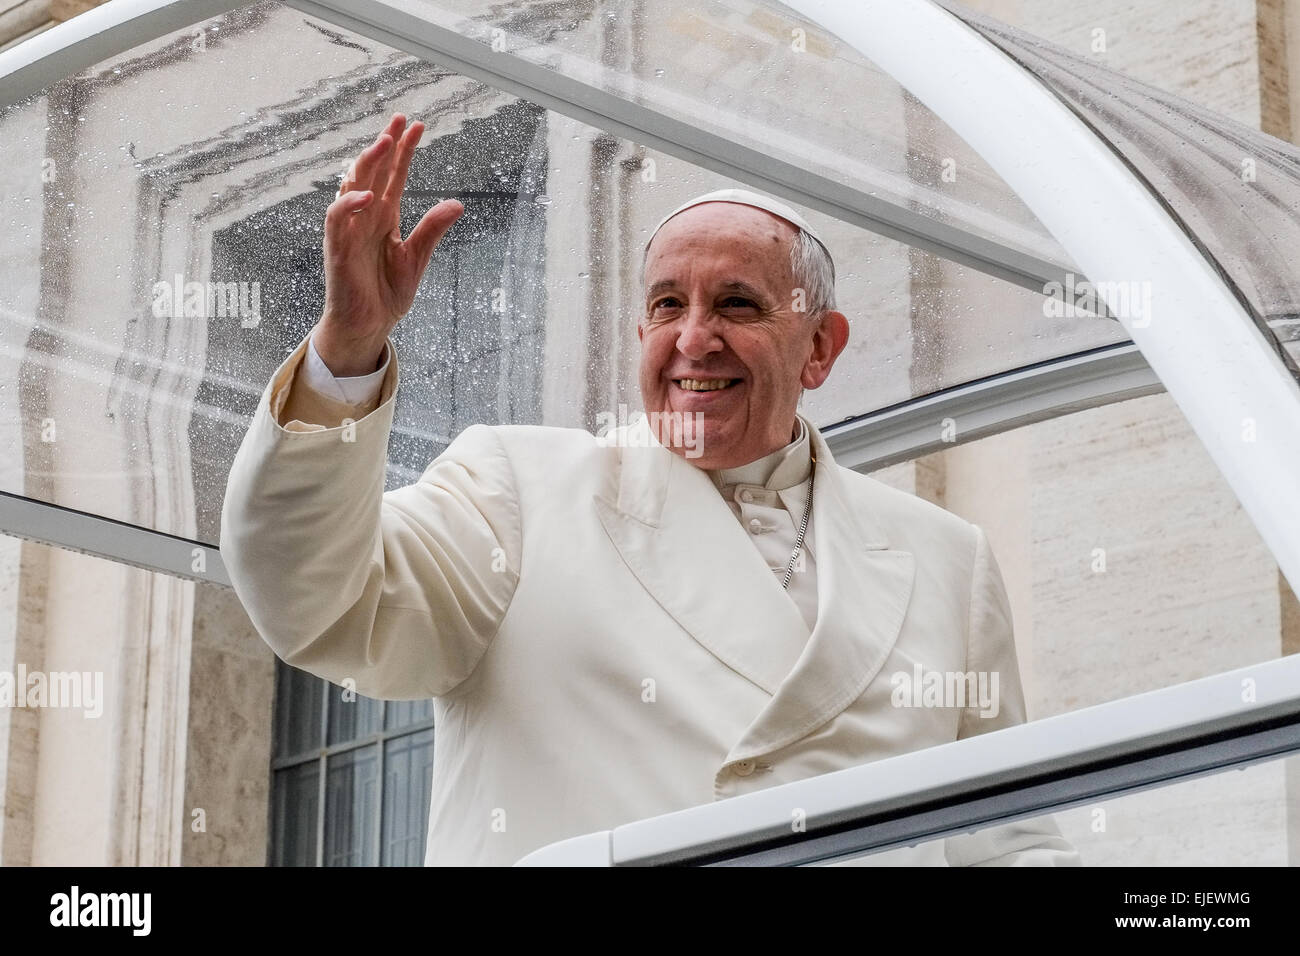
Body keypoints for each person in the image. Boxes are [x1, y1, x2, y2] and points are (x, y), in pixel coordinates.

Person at [221, 113, 1078, 866]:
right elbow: (316, 601)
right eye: (669, 305)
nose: (693, 340)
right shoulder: (519, 490)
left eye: (737, 304)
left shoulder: (946, 557)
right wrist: (347, 349)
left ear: (819, 348)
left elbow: (1007, 844)